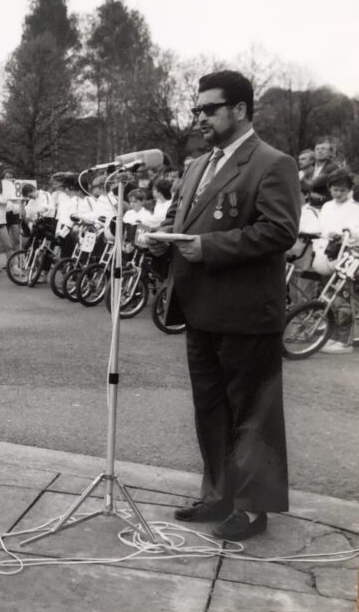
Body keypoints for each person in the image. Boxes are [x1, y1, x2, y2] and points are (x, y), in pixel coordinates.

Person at [151, 70, 299, 541]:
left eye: (209, 109)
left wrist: (209, 249)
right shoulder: (196, 166)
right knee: (210, 408)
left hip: (247, 312)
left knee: (252, 413)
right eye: (197, 109)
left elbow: (280, 231)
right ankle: (218, 494)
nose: (200, 118)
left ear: (239, 110)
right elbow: (178, 220)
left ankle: (253, 510)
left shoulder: (273, 163)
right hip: (200, 308)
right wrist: (158, 241)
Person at [315, 170, 359, 354]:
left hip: (347, 256)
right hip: (326, 255)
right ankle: (331, 335)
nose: (338, 194)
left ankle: (344, 340)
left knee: (343, 298)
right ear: (329, 189)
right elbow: (320, 229)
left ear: (349, 190)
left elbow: (355, 230)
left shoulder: (355, 208)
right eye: (335, 190)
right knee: (329, 297)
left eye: (342, 190)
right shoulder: (326, 206)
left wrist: (344, 233)